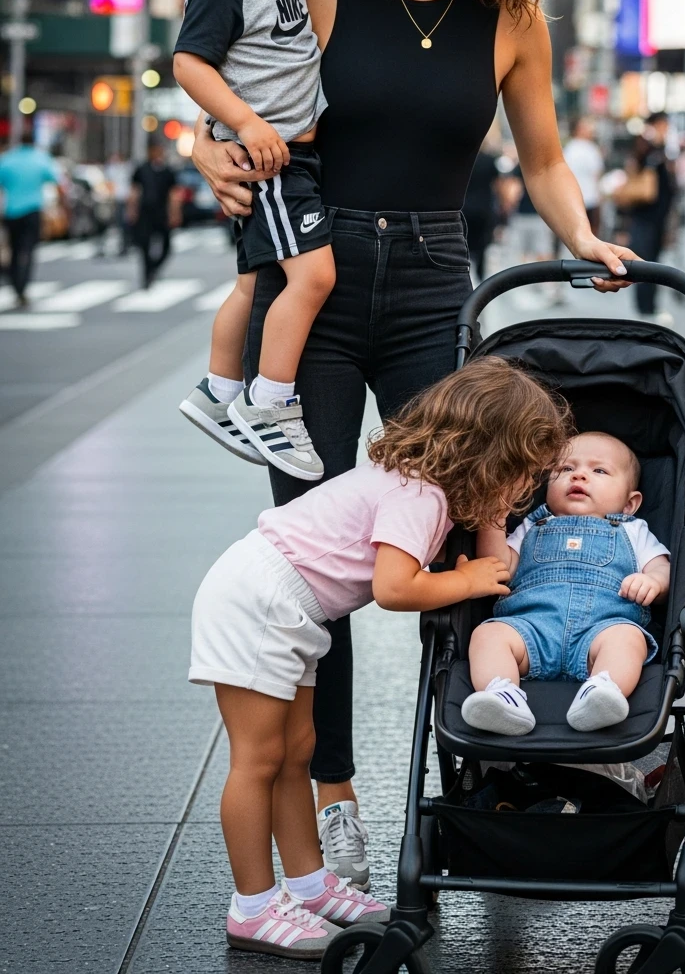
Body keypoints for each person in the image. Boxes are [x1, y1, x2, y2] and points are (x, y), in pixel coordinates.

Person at [191, 0, 636, 885]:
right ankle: (332, 789)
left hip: (436, 276)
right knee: (312, 548)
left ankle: (482, 756)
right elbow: (240, 112)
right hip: (322, 281)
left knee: (471, 521)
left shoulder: (508, 13)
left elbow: (540, 157)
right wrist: (209, 151)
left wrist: (578, 232)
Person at [189, 357, 569, 958]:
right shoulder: (419, 498)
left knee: (297, 753)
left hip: (294, 608)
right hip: (260, 601)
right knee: (258, 759)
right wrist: (465, 582)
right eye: (519, 474)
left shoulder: (416, 481)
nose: (523, 491)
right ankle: (253, 906)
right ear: (489, 458)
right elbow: (396, 588)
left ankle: (310, 884)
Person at [174, 0, 336, 477]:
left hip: (290, 159)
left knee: (255, 282)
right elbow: (190, 64)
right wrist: (243, 125)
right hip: (273, 164)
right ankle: (270, 402)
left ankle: (218, 391)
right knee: (314, 276)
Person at [462, 431, 670, 736]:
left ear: (630, 503)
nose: (580, 475)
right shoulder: (533, 525)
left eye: (598, 471)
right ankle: (503, 695)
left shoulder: (634, 531)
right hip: (529, 627)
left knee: (628, 639)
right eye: (565, 469)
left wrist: (652, 582)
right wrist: (492, 518)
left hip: (601, 629)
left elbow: (661, 569)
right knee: (487, 634)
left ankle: (602, 690)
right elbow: (498, 567)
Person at [617, 114, 675, 319]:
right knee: (646, 262)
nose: (666, 130)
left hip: (653, 219)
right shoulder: (653, 154)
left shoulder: (652, 153)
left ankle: (648, 306)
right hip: (648, 219)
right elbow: (649, 190)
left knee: (650, 261)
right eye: (664, 125)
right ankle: (646, 307)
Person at [0, 128, 61, 307]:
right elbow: (56, 180)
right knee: (28, 250)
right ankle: (22, 285)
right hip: (32, 211)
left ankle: (16, 284)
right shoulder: (40, 159)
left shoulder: (8, 159)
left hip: (11, 211)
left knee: (14, 249)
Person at [128, 140, 181, 289]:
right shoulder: (141, 169)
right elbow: (134, 191)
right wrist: (132, 211)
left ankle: (154, 268)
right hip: (145, 213)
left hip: (162, 213)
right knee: (144, 246)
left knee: (166, 246)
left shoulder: (168, 171)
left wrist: (175, 213)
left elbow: (174, 194)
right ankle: (147, 275)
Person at [462, 140, 501, 281]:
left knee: (464, 243)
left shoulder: (463, 160)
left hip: (464, 208)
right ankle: (480, 277)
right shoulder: (490, 160)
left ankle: (466, 274)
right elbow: (497, 185)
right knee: (483, 245)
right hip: (484, 208)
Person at [563, 117, 604, 237]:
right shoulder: (590, 149)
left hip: (577, 200)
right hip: (586, 200)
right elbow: (597, 175)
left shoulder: (569, 149)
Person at [102, 153, 133, 256]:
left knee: (124, 224)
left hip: (124, 200)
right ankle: (120, 246)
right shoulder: (112, 170)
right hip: (116, 200)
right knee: (117, 224)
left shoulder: (125, 169)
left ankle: (125, 245)